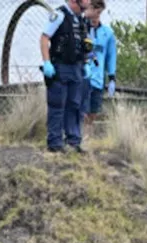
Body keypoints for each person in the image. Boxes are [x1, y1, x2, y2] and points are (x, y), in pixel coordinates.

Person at [40, 0, 92, 153]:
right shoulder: (59, 16)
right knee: (57, 105)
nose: (87, 5)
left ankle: (73, 141)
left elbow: (84, 43)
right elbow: (44, 38)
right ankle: (55, 143)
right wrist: (47, 62)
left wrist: (86, 62)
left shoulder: (80, 19)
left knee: (75, 105)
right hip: (60, 66)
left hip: (77, 67)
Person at [81, 0, 116, 136]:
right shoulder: (80, 28)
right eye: (94, 10)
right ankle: (79, 137)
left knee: (93, 112)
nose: (96, 15)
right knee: (81, 109)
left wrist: (112, 77)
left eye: (99, 12)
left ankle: (88, 136)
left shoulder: (107, 33)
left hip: (97, 79)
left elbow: (111, 56)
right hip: (82, 77)